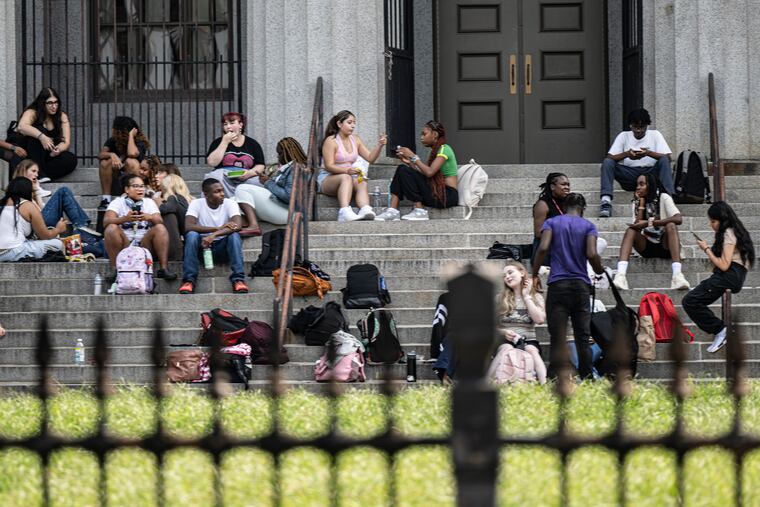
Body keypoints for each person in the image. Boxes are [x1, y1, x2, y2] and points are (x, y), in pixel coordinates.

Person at [532, 193, 604, 380]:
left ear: (564, 207)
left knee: (557, 335)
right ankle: (587, 377)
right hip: (580, 286)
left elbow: (543, 247)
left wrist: (534, 272)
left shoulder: (553, 223)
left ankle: (554, 378)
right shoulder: (589, 226)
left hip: (558, 285)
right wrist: (598, 269)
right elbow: (591, 253)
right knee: (582, 335)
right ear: (583, 208)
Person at [684, 202, 755, 353]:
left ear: (723, 220)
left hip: (730, 275)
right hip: (731, 275)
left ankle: (721, 330)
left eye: (713, 221)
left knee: (690, 301)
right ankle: (720, 330)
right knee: (692, 299)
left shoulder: (729, 232)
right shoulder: (735, 231)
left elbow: (724, 265)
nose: (711, 225)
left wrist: (706, 249)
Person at [613, 173, 690, 291]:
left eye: (642, 184)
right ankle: (621, 276)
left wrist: (650, 223)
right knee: (630, 230)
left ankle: (677, 275)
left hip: (666, 246)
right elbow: (637, 226)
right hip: (647, 247)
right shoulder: (636, 202)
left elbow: (678, 219)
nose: (638, 187)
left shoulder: (664, 197)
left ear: (650, 185)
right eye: (637, 184)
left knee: (671, 225)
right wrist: (641, 204)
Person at [375, 121, 457, 221]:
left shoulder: (445, 149)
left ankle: (419, 210)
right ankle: (393, 210)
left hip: (447, 196)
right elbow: (424, 173)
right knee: (402, 169)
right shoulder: (434, 151)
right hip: (437, 193)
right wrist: (410, 163)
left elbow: (429, 172)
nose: (421, 137)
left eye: (424, 134)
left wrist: (413, 157)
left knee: (403, 170)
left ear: (435, 135)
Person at [178, 178, 249, 294]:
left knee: (234, 235)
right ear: (206, 194)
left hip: (224, 248)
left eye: (222, 191)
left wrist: (214, 235)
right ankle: (189, 280)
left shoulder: (230, 203)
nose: (222, 194)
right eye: (217, 191)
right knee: (191, 235)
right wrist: (217, 228)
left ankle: (238, 279)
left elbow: (238, 225)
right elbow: (188, 226)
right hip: (202, 248)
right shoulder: (196, 203)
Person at [599, 108, 674, 217]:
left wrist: (648, 153)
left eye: (642, 127)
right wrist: (627, 155)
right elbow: (610, 157)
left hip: (650, 176)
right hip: (630, 175)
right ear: (630, 125)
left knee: (663, 160)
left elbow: (668, 157)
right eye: (635, 127)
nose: (638, 130)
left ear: (647, 125)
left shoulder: (655, 135)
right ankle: (606, 201)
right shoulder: (623, 135)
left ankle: (668, 199)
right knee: (607, 163)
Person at [103, 174, 176, 281]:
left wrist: (149, 217)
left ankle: (163, 269)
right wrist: (124, 219)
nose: (140, 189)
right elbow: (106, 221)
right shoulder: (118, 202)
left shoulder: (149, 202)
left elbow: (160, 221)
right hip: (125, 244)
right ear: (127, 189)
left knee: (160, 228)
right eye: (136, 186)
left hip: (144, 244)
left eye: (142, 186)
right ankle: (115, 269)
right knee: (111, 228)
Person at [318, 110, 387, 222]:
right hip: (328, 178)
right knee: (346, 178)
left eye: (354, 123)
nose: (353, 125)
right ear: (340, 124)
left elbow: (370, 158)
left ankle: (365, 209)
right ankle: (344, 212)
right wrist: (347, 170)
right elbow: (328, 166)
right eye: (349, 122)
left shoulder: (355, 139)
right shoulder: (331, 141)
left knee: (361, 180)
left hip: (348, 176)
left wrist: (380, 145)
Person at [487, 261, 547, 384]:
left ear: (521, 272)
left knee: (532, 350)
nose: (507, 277)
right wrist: (503, 332)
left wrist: (526, 297)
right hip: (504, 340)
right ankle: (486, 383)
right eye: (504, 276)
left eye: (510, 272)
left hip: (528, 339)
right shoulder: (500, 298)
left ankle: (544, 383)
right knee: (506, 348)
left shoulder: (536, 298)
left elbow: (540, 320)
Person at [12, 159, 100, 237]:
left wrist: (36, 191)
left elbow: (42, 211)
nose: (36, 175)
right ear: (24, 171)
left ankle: (81, 226)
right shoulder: (17, 188)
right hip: (35, 227)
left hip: (40, 223)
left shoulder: (31, 189)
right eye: (33, 171)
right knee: (63, 191)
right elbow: (36, 215)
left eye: (37, 172)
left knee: (63, 192)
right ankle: (81, 226)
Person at [205, 111, 266, 222]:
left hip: (246, 176)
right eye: (225, 124)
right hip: (224, 176)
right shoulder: (218, 142)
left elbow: (260, 165)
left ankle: (247, 213)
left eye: (232, 123)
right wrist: (224, 142)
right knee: (214, 178)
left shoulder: (252, 144)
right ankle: (225, 209)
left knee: (258, 182)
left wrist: (249, 174)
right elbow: (212, 162)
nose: (228, 127)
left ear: (241, 124)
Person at [234, 137, 307, 229]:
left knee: (242, 189)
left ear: (288, 153)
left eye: (280, 153)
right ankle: (240, 226)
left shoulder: (295, 169)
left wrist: (267, 182)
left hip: (288, 212)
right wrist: (269, 180)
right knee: (233, 200)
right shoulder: (288, 168)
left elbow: (290, 196)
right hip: (281, 209)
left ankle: (254, 225)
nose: (278, 157)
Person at [14, 88, 78, 181]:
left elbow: (66, 141)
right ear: (42, 103)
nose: (54, 106)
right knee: (38, 131)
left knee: (71, 159)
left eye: (56, 102)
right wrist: (42, 137)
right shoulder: (32, 112)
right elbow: (21, 126)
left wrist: (57, 150)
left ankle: (40, 175)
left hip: (49, 155)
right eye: (50, 103)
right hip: (31, 154)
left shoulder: (61, 115)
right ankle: (38, 174)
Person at [0, 177, 66, 261]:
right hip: (12, 252)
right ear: (27, 191)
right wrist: (58, 229)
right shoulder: (27, 205)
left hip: (8, 250)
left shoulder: (2, 204)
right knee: (58, 244)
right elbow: (45, 236)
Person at [97, 116, 151, 210]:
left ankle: (131, 197)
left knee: (131, 161)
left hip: (132, 181)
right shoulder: (113, 141)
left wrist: (131, 137)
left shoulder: (139, 142)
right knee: (105, 162)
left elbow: (132, 153)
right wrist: (112, 154)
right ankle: (106, 200)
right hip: (115, 180)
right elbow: (101, 154)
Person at [531, 173, 570, 266]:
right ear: (552, 186)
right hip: (547, 246)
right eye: (563, 184)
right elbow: (538, 233)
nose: (567, 187)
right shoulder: (542, 204)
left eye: (568, 185)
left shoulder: (569, 202)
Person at [154, 174, 193, 261]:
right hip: (188, 235)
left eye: (163, 188)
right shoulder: (188, 199)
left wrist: (158, 201)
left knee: (168, 216)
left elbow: (164, 209)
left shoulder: (174, 198)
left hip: (184, 236)